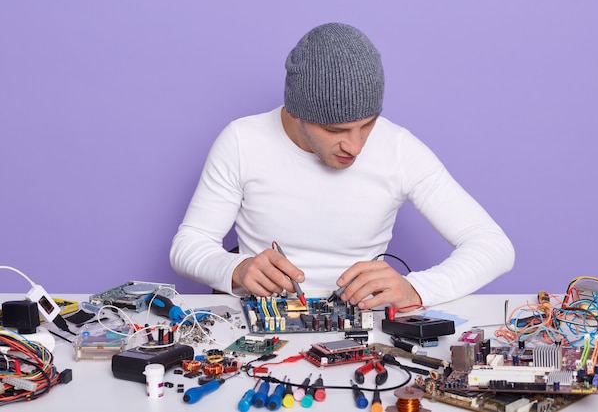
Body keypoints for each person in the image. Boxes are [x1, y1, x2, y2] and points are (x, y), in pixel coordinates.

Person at [170, 22, 515, 309]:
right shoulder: (242, 140)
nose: (356, 145)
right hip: (264, 323)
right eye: (335, 130)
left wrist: (417, 289)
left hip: (363, 329)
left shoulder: (399, 148)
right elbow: (189, 245)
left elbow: (493, 246)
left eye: (368, 124)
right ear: (295, 112)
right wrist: (237, 268)